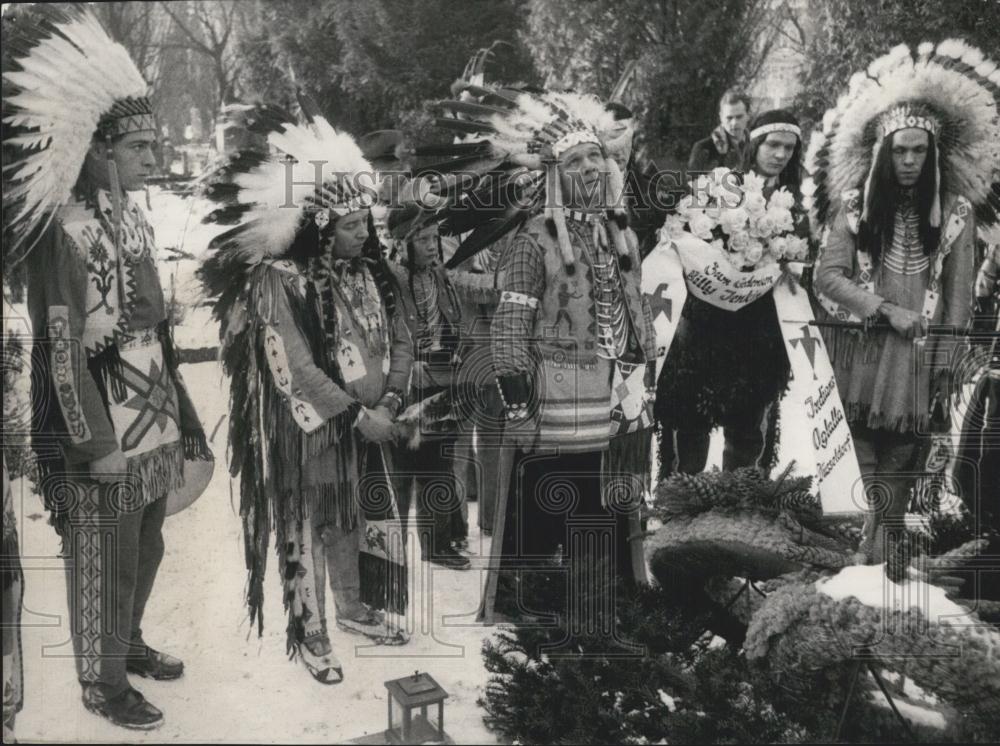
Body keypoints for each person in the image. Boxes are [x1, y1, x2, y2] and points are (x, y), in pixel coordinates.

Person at [6, 8, 209, 730]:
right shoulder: (58, 232)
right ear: (95, 150)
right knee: (103, 553)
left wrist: (179, 410)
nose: (152, 155)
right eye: (138, 144)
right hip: (101, 418)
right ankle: (102, 681)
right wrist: (95, 443)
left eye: (153, 142)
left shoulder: (130, 218)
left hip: (150, 405)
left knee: (147, 542)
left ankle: (126, 645)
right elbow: (59, 345)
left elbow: (147, 315)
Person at [199, 103, 413, 686]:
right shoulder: (277, 281)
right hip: (308, 429)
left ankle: (353, 607)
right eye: (350, 226)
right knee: (304, 523)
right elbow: (291, 368)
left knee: (346, 519)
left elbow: (400, 340)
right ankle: (310, 627)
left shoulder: (370, 274)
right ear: (320, 228)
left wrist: (390, 401)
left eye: (365, 223)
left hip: (366, 420)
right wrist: (354, 417)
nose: (363, 233)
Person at [808, 41, 998, 563]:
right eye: (900, 150)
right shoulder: (853, 207)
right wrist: (885, 309)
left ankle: (879, 560)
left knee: (902, 471)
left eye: (919, 150)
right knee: (859, 461)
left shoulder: (956, 214)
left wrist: (946, 362)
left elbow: (959, 301)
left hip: (919, 362)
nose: (909, 160)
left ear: (933, 154)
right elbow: (828, 275)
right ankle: (861, 559)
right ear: (882, 153)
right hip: (861, 354)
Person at [656, 110, 808, 477]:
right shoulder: (722, 186)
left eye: (789, 147)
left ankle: (738, 504)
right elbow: (685, 237)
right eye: (773, 144)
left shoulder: (797, 204)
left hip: (759, 329)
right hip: (709, 322)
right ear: (755, 144)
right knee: (692, 419)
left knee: (748, 423)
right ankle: (681, 498)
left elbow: (801, 264)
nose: (781, 154)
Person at [386, 217, 470, 569]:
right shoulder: (390, 278)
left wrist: (457, 348)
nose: (432, 246)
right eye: (422, 239)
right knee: (403, 470)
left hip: (441, 376)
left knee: (440, 465)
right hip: (405, 381)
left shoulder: (438, 273)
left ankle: (438, 543)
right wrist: (404, 367)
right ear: (405, 243)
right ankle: (393, 548)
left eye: (434, 238)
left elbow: (451, 318)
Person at [687, 88, 752, 174]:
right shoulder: (703, 148)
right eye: (729, 118)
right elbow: (692, 184)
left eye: (739, 117)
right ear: (721, 117)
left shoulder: (757, 145)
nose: (734, 123)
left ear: (748, 115)